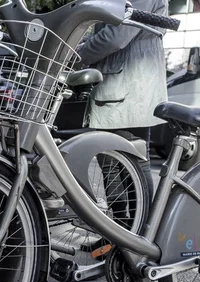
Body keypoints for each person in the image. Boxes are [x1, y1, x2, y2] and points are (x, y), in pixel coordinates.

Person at [76, 0, 169, 196]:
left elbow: (117, 36)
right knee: (130, 160)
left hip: (124, 83)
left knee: (117, 160)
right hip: (133, 82)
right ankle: (136, 223)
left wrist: (77, 56)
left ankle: (130, 224)